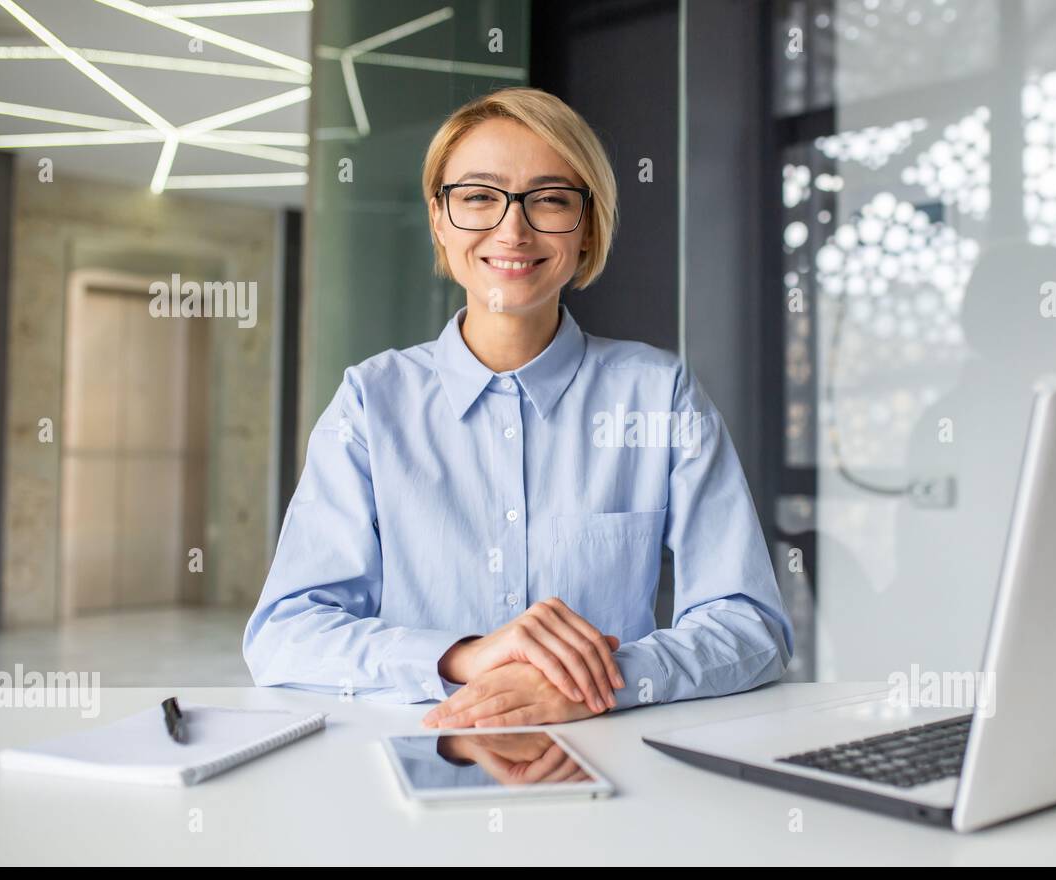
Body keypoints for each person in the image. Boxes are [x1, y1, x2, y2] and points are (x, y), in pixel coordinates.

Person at [242, 87, 792, 729]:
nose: (513, 229)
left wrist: (598, 684)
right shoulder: (371, 401)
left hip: (608, 760)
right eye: (479, 197)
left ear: (589, 226)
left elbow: (751, 625)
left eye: (551, 199)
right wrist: (463, 658)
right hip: (417, 749)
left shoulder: (658, 395)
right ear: (440, 221)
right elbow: (284, 633)